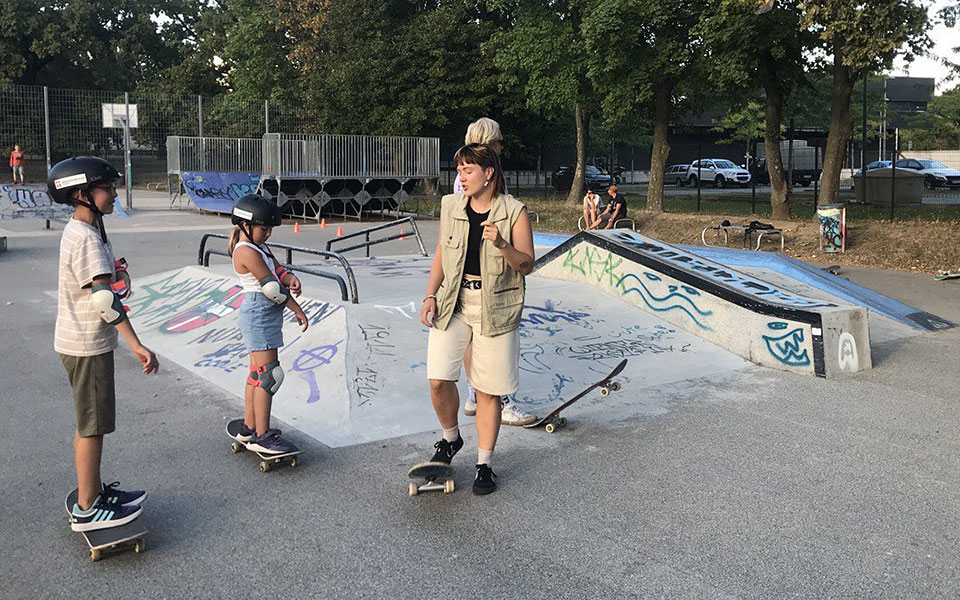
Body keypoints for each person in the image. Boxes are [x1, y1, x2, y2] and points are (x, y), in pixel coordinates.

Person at [50, 157, 159, 531]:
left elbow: (103, 286)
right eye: (107, 188)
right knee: (92, 425)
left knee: (89, 421)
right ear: (82, 194)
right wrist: (137, 344)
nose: (114, 194)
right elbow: (104, 302)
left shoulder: (84, 229)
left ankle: (93, 491)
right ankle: (88, 507)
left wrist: (117, 275)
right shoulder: (87, 239)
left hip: (76, 340)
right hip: (87, 344)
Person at [420, 143, 535, 495]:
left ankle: (484, 464)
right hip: (453, 299)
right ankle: (450, 438)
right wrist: (430, 293)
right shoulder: (451, 205)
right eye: (459, 170)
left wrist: (502, 244)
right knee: (438, 379)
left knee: (487, 390)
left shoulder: (514, 212)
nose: (461, 177)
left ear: (489, 174)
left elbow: (527, 264)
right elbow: (442, 249)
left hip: (495, 306)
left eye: (468, 170)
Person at [453, 118, 534, 426]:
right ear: (489, 144)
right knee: (494, 333)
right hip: (489, 266)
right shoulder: (487, 174)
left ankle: (475, 396)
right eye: (499, 142)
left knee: (473, 336)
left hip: (469, 265)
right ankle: (501, 402)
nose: (502, 147)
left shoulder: (464, 170)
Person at [225, 193, 309, 455]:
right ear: (245, 226)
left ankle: (249, 427)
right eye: (264, 228)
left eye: (270, 228)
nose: (268, 233)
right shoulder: (246, 250)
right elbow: (271, 287)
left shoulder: (258, 246)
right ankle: (262, 435)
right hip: (259, 313)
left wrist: (290, 276)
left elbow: (276, 271)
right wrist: (297, 310)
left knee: (257, 374)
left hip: (264, 313)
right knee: (270, 375)